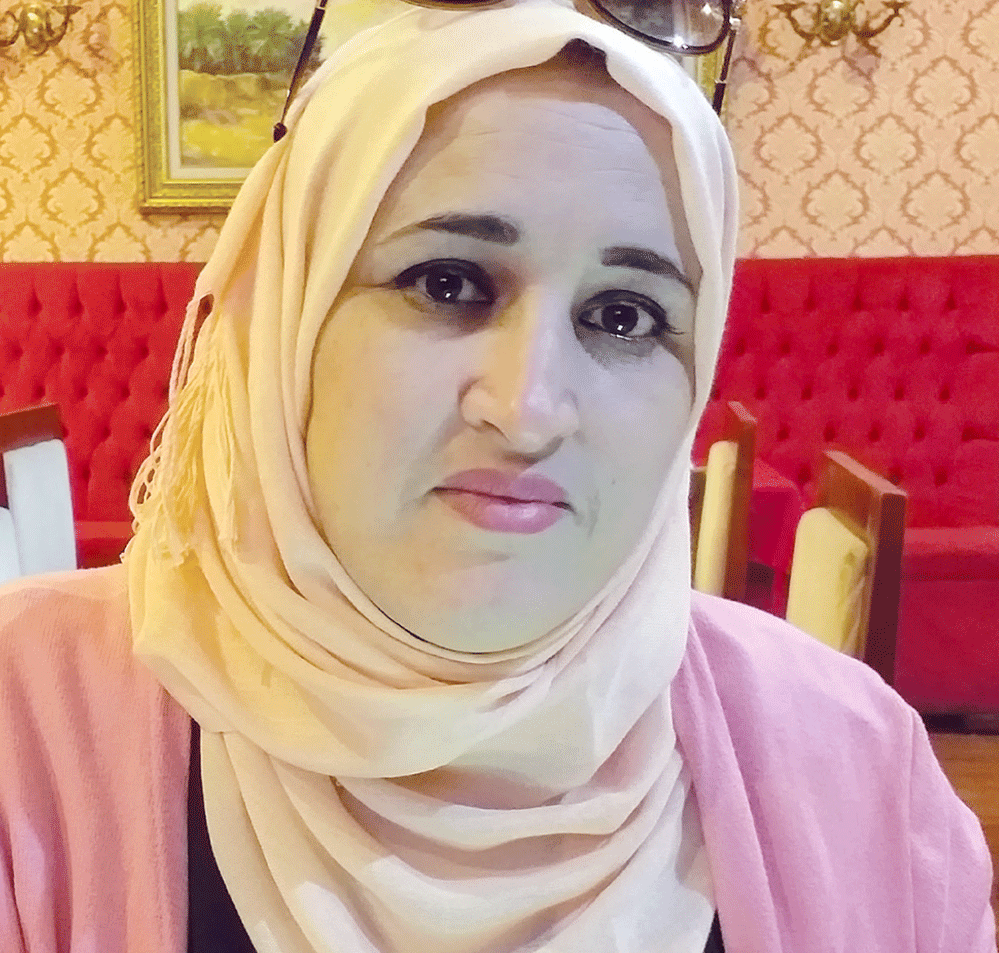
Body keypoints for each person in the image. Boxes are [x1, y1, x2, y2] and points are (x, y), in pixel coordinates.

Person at [0, 2, 994, 951]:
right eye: (448, 283)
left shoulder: (857, 765)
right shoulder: (27, 728)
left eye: (624, 315)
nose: (527, 408)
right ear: (281, 326)